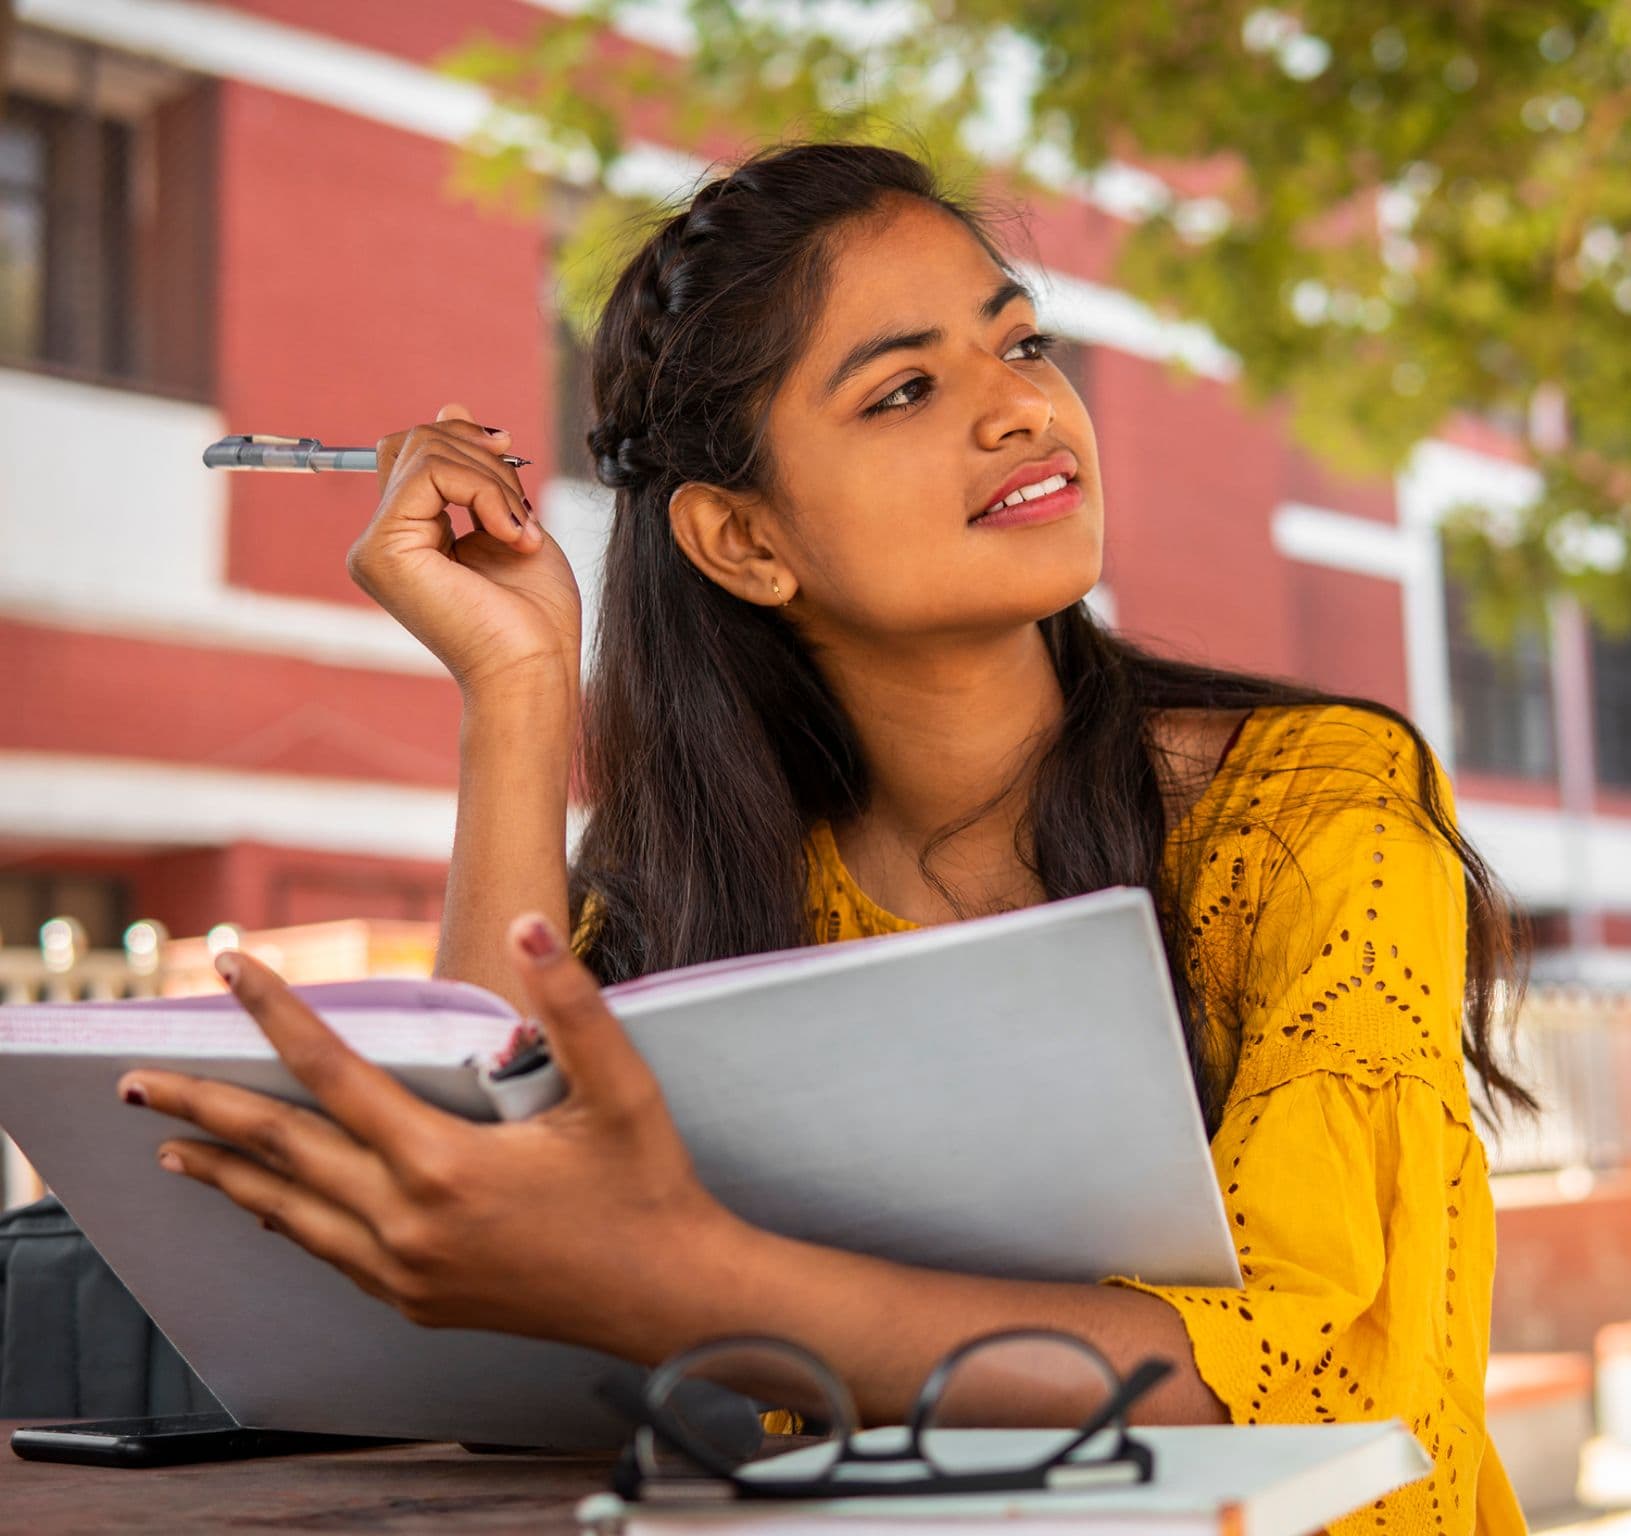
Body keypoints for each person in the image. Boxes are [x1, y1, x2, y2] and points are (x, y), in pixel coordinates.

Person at [120, 140, 1531, 1534]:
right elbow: (485, 1213)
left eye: (1022, 344)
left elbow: (1304, 1370)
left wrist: (684, 1279)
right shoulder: (719, 884)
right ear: (741, 541)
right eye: (906, 388)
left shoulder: (1318, 808)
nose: (1021, 411)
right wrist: (520, 687)